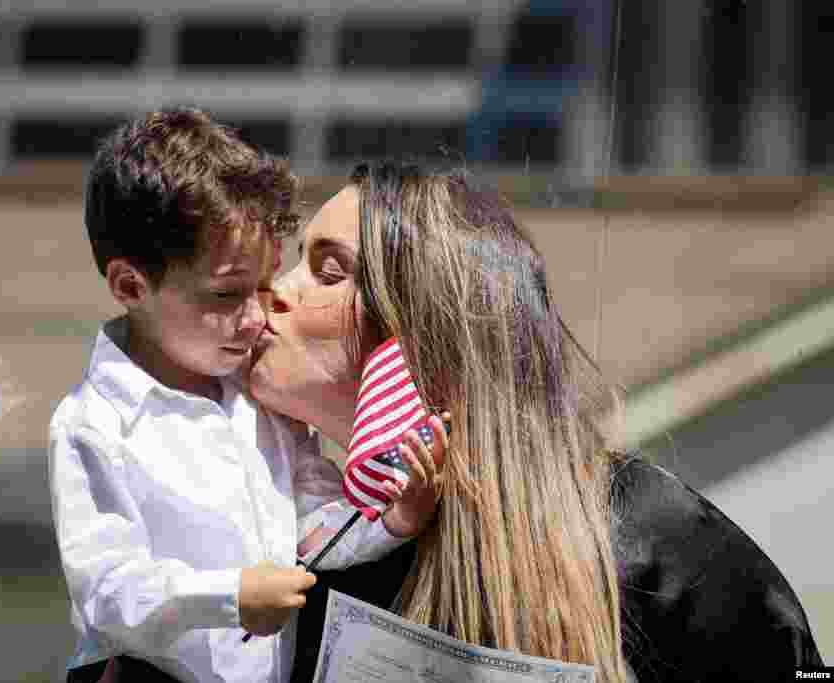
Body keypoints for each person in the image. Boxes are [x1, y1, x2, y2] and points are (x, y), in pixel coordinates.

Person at [247, 160, 825, 682]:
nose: (274, 290)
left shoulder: (636, 533)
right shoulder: (299, 550)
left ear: (425, 330)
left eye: (327, 271)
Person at [48, 114, 444, 683]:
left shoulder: (258, 399)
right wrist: (230, 597)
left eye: (263, 284)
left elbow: (315, 525)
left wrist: (392, 521)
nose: (258, 315)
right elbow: (107, 590)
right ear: (131, 287)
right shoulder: (94, 424)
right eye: (229, 293)